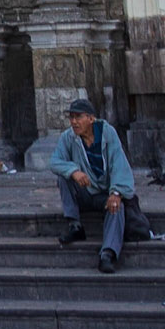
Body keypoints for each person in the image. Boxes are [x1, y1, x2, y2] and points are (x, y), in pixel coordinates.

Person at [50, 96, 151, 273]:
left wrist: (117, 193)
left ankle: (108, 254)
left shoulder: (107, 133)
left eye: (78, 117)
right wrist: (74, 171)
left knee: (115, 206)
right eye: (71, 117)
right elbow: (54, 162)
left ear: (91, 118)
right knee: (63, 177)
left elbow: (120, 165)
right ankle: (75, 225)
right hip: (85, 192)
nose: (74, 122)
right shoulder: (69, 137)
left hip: (105, 193)